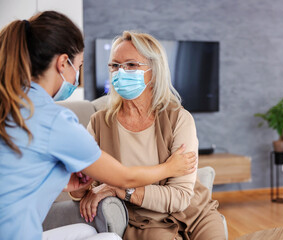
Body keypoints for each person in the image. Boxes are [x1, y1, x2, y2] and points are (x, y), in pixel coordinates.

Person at [0, 11, 197, 240]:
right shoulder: (55, 120)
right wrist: (170, 168)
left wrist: (64, 181)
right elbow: (124, 178)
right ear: (63, 63)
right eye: (80, 66)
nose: (78, 76)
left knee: (87, 231)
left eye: (131, 65)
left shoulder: (13, 103)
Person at [70, 31, 226, 240]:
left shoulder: (180, 119)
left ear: (154, 71)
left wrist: (121, 189)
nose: (121, 71)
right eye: (115, 65)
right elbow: (86, 187)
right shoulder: (99, 123)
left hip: (195, 215)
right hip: (145, 221)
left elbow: (180, 197)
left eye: (131, 65)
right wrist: (82, 191)